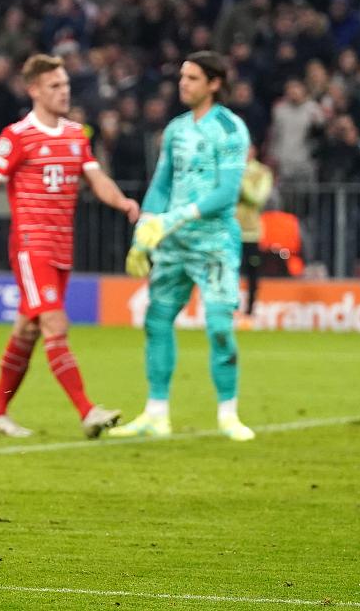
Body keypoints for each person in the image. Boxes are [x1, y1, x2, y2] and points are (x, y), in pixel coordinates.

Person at [0, 54, 139, 439]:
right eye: (55, 86)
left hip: (62, 246)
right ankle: (87, 411)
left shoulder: (77, 134)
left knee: (27, 330)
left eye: (65, 84)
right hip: (31, 244)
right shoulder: (17, 135)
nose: (64, 91)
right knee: (55, 323)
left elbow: (97, 179)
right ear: (34, 91)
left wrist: (122, 202)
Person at [116, 51, 254, 441]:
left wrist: (174, 218)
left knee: (219, 327)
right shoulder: (176, 129)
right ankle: (156, 413)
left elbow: (228, 192)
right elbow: (161, 184)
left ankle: (229, 414)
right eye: (182, 76)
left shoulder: (230, 129)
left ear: (214, 84)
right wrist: (143, 234)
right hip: (172, 244)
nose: (183, 83)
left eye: (192, 78)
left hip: (214, 243)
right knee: (156, 320)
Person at [236, 144, 273, 328]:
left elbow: (258, 198)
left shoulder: (262, 172)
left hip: (250, 231)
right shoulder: (230, 169)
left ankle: (250, 313)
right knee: (227, 273)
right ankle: (229, 312)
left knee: (252, 274)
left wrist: (241, 181)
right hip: (229, 230)